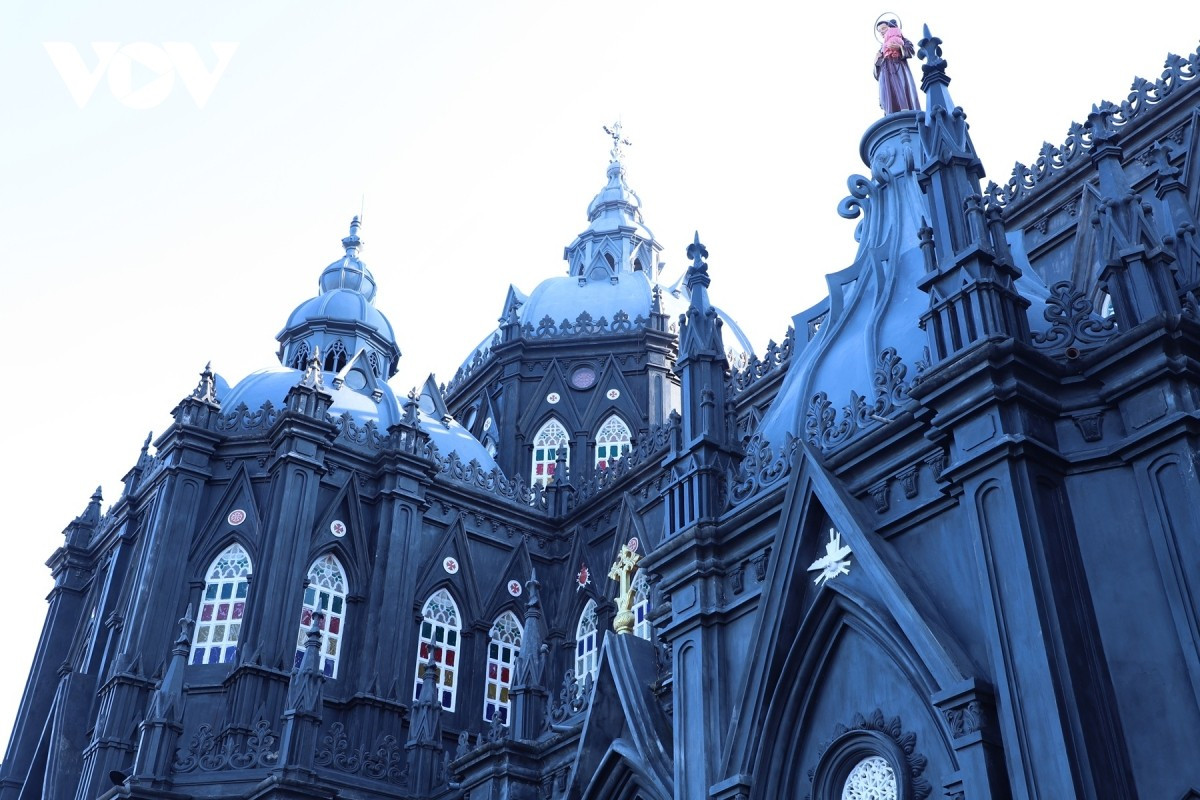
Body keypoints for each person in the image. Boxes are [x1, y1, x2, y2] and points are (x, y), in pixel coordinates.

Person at [874, 19, 920, 114]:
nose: (881, 32)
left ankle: (906, 112)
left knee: (902, 92)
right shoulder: (881, 49)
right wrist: (876, 62)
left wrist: (900, 48)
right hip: (886, 75)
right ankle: (890, 115)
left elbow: (911, 50)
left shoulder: (901, 39)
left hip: (898, 69)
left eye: (883, 28)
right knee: (889, 97)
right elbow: (876, 74)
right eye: (879, 31)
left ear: (891, 28)